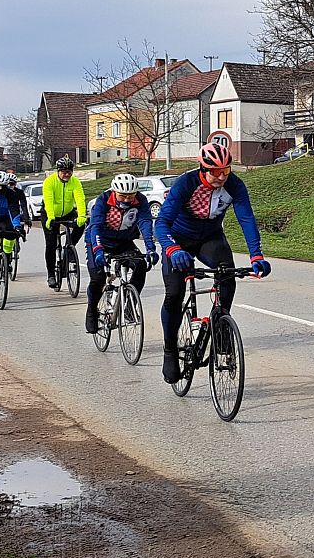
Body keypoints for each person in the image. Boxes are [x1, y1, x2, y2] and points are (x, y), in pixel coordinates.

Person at [155, 143, 271, 384]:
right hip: (178, 240)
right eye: (215, 172)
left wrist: (256, 255)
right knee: (174, 294)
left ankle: (221, 331)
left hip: (210, 238)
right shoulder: (186, 184)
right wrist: (172, 249)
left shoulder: (235, 185)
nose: (221, 177)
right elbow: (162, 223)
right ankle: (170, 349)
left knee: (227, 276)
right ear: (202, 168)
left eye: (225, 171)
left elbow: (246, 219)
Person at [83, 173, 159, 333]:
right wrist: (97, 250)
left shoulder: (141, 201)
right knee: (98, 278)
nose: (126, 200)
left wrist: (151, 248)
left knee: (140, 265)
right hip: (99, 240)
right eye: (122, 196)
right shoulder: (103, 200)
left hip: (124, 241)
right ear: (114, 191)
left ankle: (130, 305)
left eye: (130, 196)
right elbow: (95, 225)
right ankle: (91, 310)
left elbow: (145, 222)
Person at [41, 157, 87, 288]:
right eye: (63, 171)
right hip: (50, 213)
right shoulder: (49, 182)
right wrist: (50, 217)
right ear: (58, 171)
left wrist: (82, 215)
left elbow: (80, 199)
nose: (67, 174)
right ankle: (51, 275)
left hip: (67, 212)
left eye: (69, 171)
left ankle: (68, 248)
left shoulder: (75, 182)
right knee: (50, 244)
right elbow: (48, 201)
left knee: (80, 224)